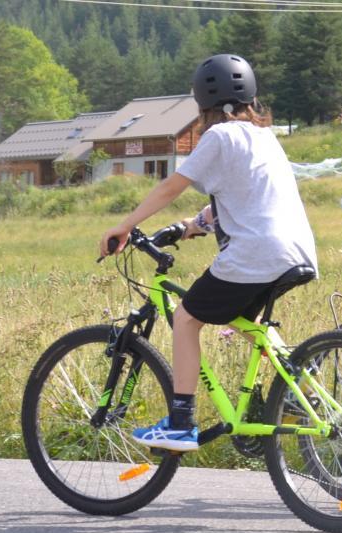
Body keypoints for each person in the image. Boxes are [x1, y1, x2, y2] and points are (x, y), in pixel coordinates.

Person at [99, 54, 317, 452]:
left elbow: (170, 187)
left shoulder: (218, 136)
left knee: (185, 319)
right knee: (247, 324)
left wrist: (125, 225)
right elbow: (241, 198)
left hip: (255, 253)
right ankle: (299, 391)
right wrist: (189, 226)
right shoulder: (265, 137)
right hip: (296, 250)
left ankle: (181, 421)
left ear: (202, 102)